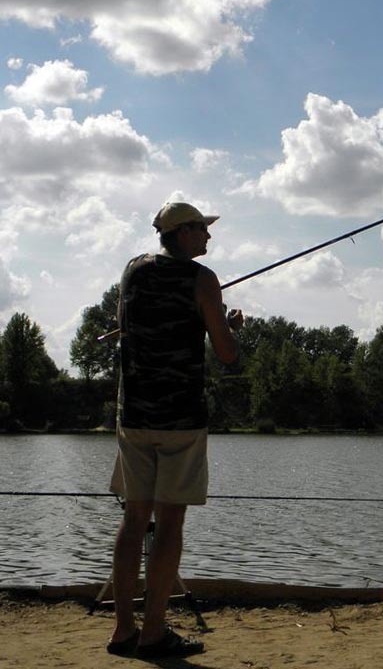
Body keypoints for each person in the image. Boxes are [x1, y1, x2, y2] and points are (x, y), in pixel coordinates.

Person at [106, 201, 243, 658]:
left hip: (133, 417)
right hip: (180, 420)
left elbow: (124, 325)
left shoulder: (132, 271)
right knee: (169, 524)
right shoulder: (202, 280)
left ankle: (123, 630)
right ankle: (153, 633)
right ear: (183, 233)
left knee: (132, 522)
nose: (209, 237)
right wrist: (226, 325)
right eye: (202, 229)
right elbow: (226, 354)